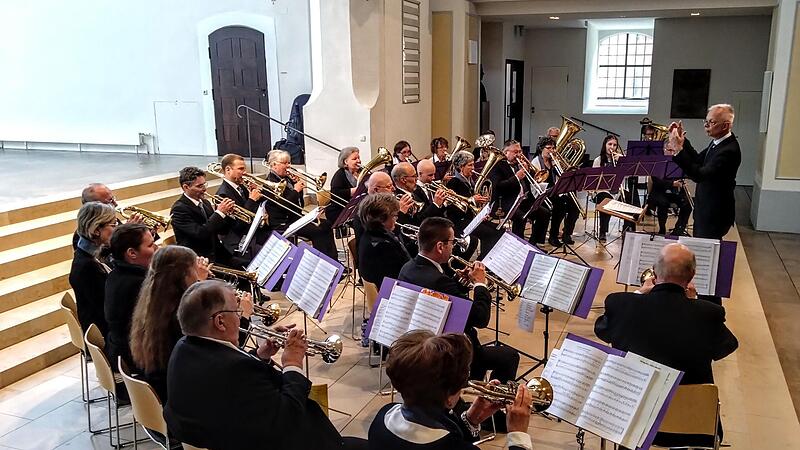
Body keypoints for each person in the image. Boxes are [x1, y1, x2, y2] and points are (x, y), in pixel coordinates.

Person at [163, 280, 367, 450]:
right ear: (220, 322)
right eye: (237, 310)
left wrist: (260, 355)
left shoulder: (184, 347)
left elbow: (238, 386)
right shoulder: (234, 370)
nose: (241, 315)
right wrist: (292, 363)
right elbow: (288, 417)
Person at [594, 243, 737, 447]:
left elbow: (602, 329)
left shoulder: (621, 304)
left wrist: (640, 294)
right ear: (692, 275)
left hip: (631, 419)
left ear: (655, 271)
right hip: (691, 425)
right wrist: (693, 303)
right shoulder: (708, 313)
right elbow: (726, 346)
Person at [398, 217, 519, 384]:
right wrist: (479, 284)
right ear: (440, 246)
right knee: (509, 356)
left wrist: (458, 282)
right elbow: (480, 318)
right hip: (449, 352)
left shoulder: (408, 268)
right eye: (452, 242)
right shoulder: (439, 281)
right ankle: (493, 404)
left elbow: (446, 298)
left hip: (422, 341)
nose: (454, 246)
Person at [368, 330, 533, 450]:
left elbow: (437, 434)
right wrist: (518, 435)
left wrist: (471, 419)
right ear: (449, 398)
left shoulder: (383, 417)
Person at [129, 245, 253, 401]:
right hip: (183, 395)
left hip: (167, 387)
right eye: (195, 269)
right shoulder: (181, 314)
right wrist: (244, 316)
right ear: (183, 275)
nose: (202, 273)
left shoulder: (153, 300)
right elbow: (224, 351)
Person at [667, 104, 741, 239]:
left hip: (714, 213)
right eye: (706, 121)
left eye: (711, 122)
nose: (706, 125)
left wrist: (678, 150)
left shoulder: (728, 150)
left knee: (706, 252)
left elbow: (699, 175)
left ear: (725, 126)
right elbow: (697, 159)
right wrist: (683, 143)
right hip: (706, 209)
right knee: (701, 249)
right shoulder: (718, 142)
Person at [263, 149, 338, 260]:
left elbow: (299, 204)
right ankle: (322, 263)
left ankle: (334, 261)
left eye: (289, 162)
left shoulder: (287, 179)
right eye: (285, 163)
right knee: (317, 232)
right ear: (274, 165)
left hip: (295, 217)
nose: (289, 166)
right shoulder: (269, 183)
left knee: (326, 224)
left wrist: (297, 187)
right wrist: (295, 190)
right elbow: (282, 205)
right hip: (283, 222)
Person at [104, 223, 157, 371]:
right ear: (132, 253)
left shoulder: (116, 273)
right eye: (151, 245)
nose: (156, 249)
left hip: (120, 351)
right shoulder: (138, 284)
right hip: (137, 361)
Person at [170, 166, 236, 264]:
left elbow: (221, 230)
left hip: (218, 254)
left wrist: (227, 214)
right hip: (199, 260)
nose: (204, 189)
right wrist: (219, 213)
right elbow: (201, 233)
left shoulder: (205, 203)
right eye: (199, 186)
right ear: (186, 187)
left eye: (204, 184)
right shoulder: (179, 209)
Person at [69, 202, 117, 335]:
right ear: (96, 230)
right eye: (113, 225)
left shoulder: (84, 252)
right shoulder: (87, 268)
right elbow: (108, 310)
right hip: (104, 334)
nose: (116, 229)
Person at [445, 151, 501, 259]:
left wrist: (480, 206)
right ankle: (483, 261)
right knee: (490, 234)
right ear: (461, 167)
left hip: (470, 218)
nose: (473, 168)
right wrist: (472, 200)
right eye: (470, 165)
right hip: (460, 221)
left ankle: (487, 261)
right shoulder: (454, 183)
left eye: (473, 164)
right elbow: (454, 209)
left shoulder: (470, 181)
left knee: (498, 229)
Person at [214, 153, 267, 257]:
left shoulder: (241, 187)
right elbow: (237, 225)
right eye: (241, 169)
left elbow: (252, 211)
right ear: (228, 170)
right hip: (238, 240)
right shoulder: (223, 194)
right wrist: (251, 200)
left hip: (251, 233)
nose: (245, 172)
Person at [357, 193, 411, 290]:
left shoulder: (368, 235)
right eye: (394, 216)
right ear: (381, 220)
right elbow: (404, 274)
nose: (396, 219)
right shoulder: (383, 246)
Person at [592, 135, 636, 240]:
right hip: (602, 190)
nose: (612, 147)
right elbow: (594, 180)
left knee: (631, 198)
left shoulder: (620, 159)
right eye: (610, 144)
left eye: (615, 145)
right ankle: (603, 230)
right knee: (606, 201)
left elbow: (628, 175)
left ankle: (628, 228)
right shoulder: (598, 160)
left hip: (618, 190)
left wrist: (623, 162)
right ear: (605, 145)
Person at [488, 139, 534, 239]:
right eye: (515, 152)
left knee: (543, 213)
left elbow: (532, 181)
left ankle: (533, 243)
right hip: (505, 201)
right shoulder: (498, 165)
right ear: (506, 152)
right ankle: (517, 242)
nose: (519, 154)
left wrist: (528, 170)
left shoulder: (519, 164)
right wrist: (517, 177)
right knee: (521, 217)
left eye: (520, 151)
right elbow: (499, 186)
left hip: (522, 199)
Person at [392, 162, 446, 227]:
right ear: (403, 180)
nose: (417, 178)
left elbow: (425, 212)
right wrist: (435, 204)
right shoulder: (400, 199)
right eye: (414, 176)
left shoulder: (413, 192)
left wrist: (442, 203)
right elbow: (419, 222)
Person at [526, 138, 556, 245]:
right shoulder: (536, 162)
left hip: (552, 191)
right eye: (548, 148)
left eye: (553, 148)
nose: (551, 150)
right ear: (541, 149)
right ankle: (538, 240)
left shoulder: (553, 161)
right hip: (540, 193)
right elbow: (535, 184)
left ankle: (554, 235)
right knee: (546, 210)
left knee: (565, 205)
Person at [326, 146, 362, 229]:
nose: (358, 161)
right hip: (340, 210)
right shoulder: (339, 175)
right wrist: (353, 191)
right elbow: (335, 194)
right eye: (354, 159)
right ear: (346, 161)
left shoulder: (360, 172)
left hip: (356, 208)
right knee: (362, 222)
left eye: (359, 158)